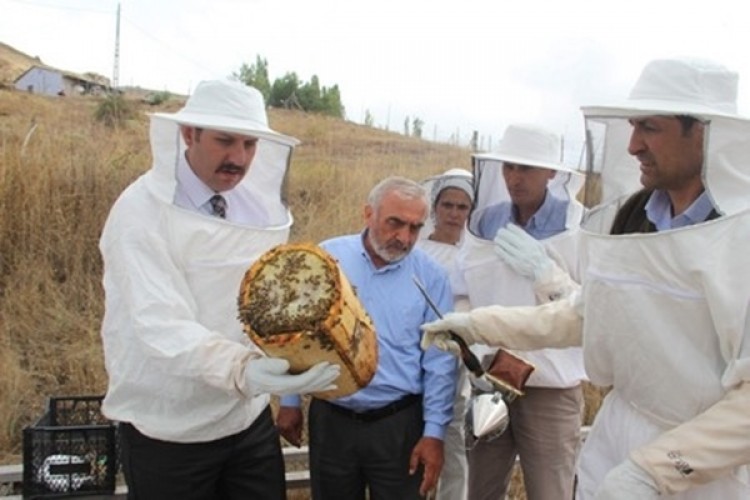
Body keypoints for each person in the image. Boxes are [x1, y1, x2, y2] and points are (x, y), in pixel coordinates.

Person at [421, 57, 750, 499]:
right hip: (618, 434)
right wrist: (478, 325)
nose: (633, 145)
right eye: (632, 127)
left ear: (705, 132)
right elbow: (585, 315)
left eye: (649, 127)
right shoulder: (632, 219)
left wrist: (655, 470)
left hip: (706, 467)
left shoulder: (739, 235)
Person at [98, 79, 340, 500]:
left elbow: (268, 296)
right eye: (225, 141)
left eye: (249, 144)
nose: (239, 158)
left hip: (245, 419)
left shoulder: (252, 207)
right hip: (170, 431)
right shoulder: (139, 214)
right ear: (188, 134)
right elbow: (162, 323)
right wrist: (241, 369)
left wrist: (299, 354)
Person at [276, 176, 459, 499]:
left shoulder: (431, 277)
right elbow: (297, 330)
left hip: (399, 426)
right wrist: (290, 400)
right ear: (368, 214)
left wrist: (434, 434)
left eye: (415, 228)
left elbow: (440, 362)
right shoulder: (328, 258)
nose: (403, 237)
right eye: (395, 223)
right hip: (332, 421)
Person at [454, 124, 586, 500]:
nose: (514, 177)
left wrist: (549, 276)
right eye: (509, 167)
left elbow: (596, 309)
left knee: (551, 491)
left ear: (553, 173)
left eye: (526, 168)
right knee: (480, 489)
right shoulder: (485, 221)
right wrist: (475, 354)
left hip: (550, 389)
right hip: (488, 380)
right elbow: (462, 291)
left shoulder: (580, 227)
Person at [417, 168, 475, 500]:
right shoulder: (418, 250)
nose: (454, 214)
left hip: (457, 357)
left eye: (462, 207)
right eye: (447, 205)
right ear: (435, 207)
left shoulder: (475, 255)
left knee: (452, 433)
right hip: (415, 352)